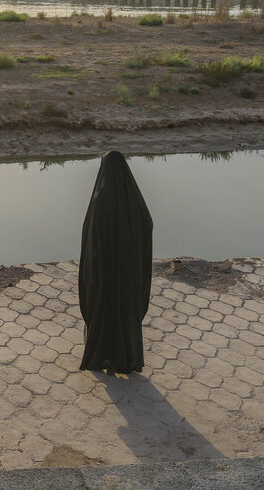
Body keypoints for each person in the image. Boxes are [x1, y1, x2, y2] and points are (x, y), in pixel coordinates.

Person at [78, 150, 153, 374]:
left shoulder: (100, 199)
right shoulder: (134, 200)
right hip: (127, 274)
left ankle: (101, 356)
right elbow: (147, 224)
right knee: (126, 313)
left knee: (103, 312)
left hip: (104, 274)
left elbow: (91, 238)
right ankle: (128, 359)